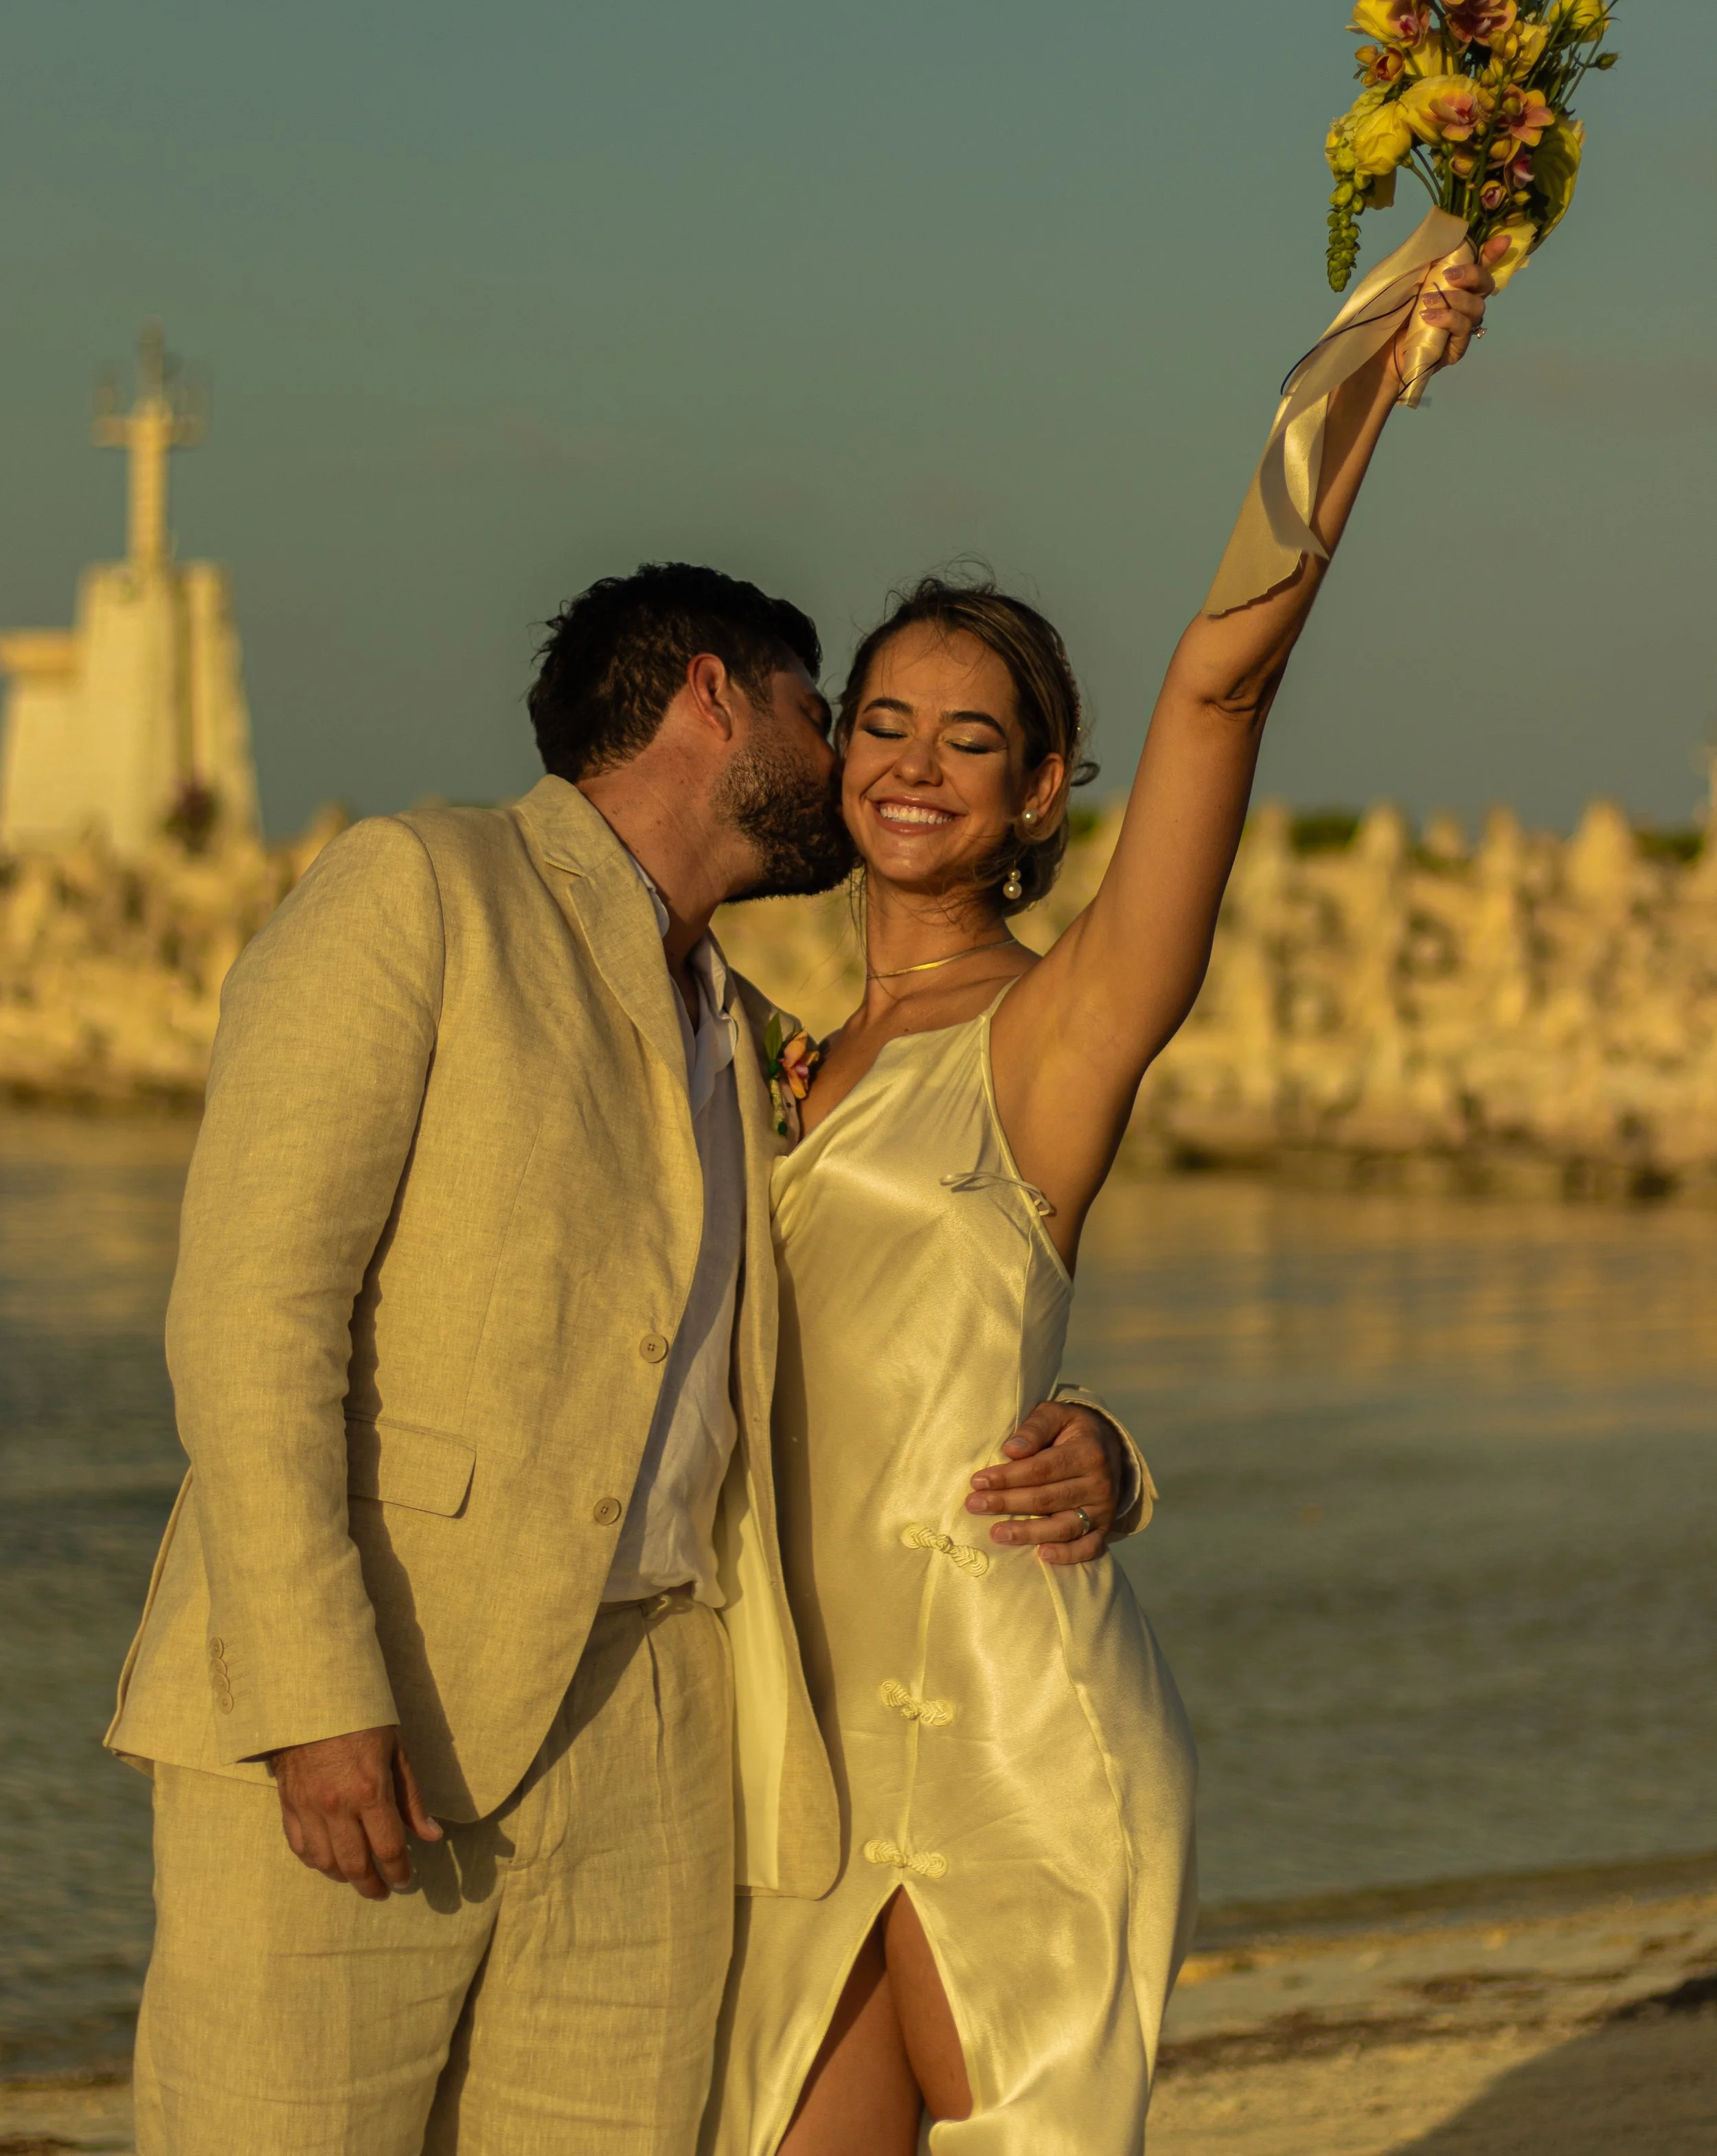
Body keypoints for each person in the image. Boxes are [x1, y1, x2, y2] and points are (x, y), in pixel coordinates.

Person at [105, 562, 1135, 2155]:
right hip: (375, 1709)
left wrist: (1100, 1444)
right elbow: (253, 1314)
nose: (856, 767)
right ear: (715, 698)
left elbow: (901, 1313)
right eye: (828, 714)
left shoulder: (744, 1024)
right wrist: (313, 1702)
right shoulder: (419, 890)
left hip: (655, 1757)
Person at [705, 242, 1501, 2153]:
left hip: (1009, 1731)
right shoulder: (747, 1054)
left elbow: (1222, 690)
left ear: (1040, 789)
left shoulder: (1057, 1033)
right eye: (880, 721)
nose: (911, 766)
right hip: (793, 1759)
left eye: (968, 737)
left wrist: (1371, 368)